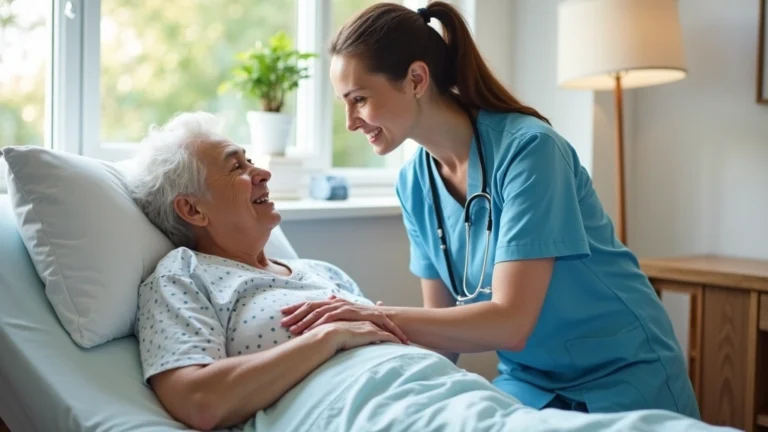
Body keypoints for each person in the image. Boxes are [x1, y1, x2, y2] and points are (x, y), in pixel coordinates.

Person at [278, 1, 700, 419]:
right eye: (344, 103)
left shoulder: (530, 151)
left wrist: (376, 315)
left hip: (622, 371)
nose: (350, 121)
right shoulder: (414, 183)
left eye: (360, 99)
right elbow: (443, 338)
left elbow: (509, 322)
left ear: (416, 79)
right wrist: (366, 356)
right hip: (530, 379)